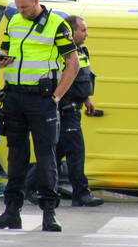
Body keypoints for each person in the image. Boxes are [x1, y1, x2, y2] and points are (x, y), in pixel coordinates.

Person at [0, 0, 80, 232]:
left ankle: (49, 213)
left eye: (25, 7)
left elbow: (73, 63)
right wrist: (1, 59)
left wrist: (57, 96)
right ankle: (11, 212)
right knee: (16, 156)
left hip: (42, 100)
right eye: (18, 6)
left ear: (36, 0)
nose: (21, 11)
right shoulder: (14, 21)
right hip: (15, 97)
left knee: (46, 156)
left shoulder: (56, 25)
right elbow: (4, 50)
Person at [26, 16, 103, 207]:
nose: (86, 34)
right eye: (83, 30)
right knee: (76, 152)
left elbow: (82, 80)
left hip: (75, 109)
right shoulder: (62, 54)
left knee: (55, 152)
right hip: (64, 111)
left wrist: (87, 100)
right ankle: (81, 193)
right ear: (71, 32)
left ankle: (27, 188)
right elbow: (63, 80)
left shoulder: (81, 52)